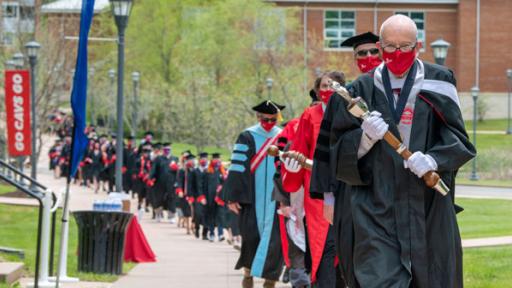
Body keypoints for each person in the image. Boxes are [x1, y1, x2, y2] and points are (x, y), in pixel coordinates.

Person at [317, 15, 476, 287]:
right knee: (378, 278)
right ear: (380, 47)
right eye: (390, 47)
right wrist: (364, 139)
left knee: (432, 278)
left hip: (427, 206)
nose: (397, 53)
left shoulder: (439, 81)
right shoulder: (360, 90)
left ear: (419, 45)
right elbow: (337, 150)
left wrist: (433, 159)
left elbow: (458, 138)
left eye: (405, 46)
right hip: (376, 207)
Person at [313, 31, 383, 287]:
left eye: (373, 51)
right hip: (351, 188)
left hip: (390, 187)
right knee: (352, 252)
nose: (368, 57)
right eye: (361, 53)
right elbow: (327, 150)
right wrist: (329, 198)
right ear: (355, 59)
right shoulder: (345, 96)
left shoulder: (401, 94)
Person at [281, 72, 345, 288]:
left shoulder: (352, 111)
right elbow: (298, 150)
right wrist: (291, 173)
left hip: (348, 191)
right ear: (318, 91)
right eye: (324, 86)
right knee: (323, 248)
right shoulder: (310, 115)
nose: (328, 90)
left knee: (345, 249)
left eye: (333, 85)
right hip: (318, 193)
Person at [224, 100, 285, 288]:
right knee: (251, 237)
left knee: (276, 242)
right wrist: (233, 196)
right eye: (265, 119)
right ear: (258, 117)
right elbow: (237, 168)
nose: (269, 122)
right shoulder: (247, 136)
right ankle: (248, 273)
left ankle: (270, 281)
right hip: (251, 197)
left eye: (273, 119)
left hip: (277, 199)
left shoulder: (283, 136)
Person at [204, 153, 226, 242]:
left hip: (220, 198)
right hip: (210, 197)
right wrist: (204, 197)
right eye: (214, 159)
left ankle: (221, 234)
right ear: (211, 160)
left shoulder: (223, 171)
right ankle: (212, 233)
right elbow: (204, 186)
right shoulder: (208, 171)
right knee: (211, 215)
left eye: (218, 159)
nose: (216, 161)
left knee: (220, 215)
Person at [176, 152, 197, 235]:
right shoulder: (182, 171)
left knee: (194, 211)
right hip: (185, 194)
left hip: (194, 194)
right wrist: (180, 190)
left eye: (192, 160)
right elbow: (179, 181)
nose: (191, 162)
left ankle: (193, 225)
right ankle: (188, 227)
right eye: (189, 160)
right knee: (187, 212)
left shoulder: (195, 171)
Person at [194, 152, 210, 239]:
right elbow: (191, 185)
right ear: (199, 160)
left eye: (205, 159)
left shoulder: (209, 170)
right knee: (198, 214)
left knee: (207, 214)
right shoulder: (195, 171)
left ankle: (205, 233)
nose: (204, 160)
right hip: (197, 196)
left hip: (208, 196)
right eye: (202, 159)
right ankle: (196, 228)